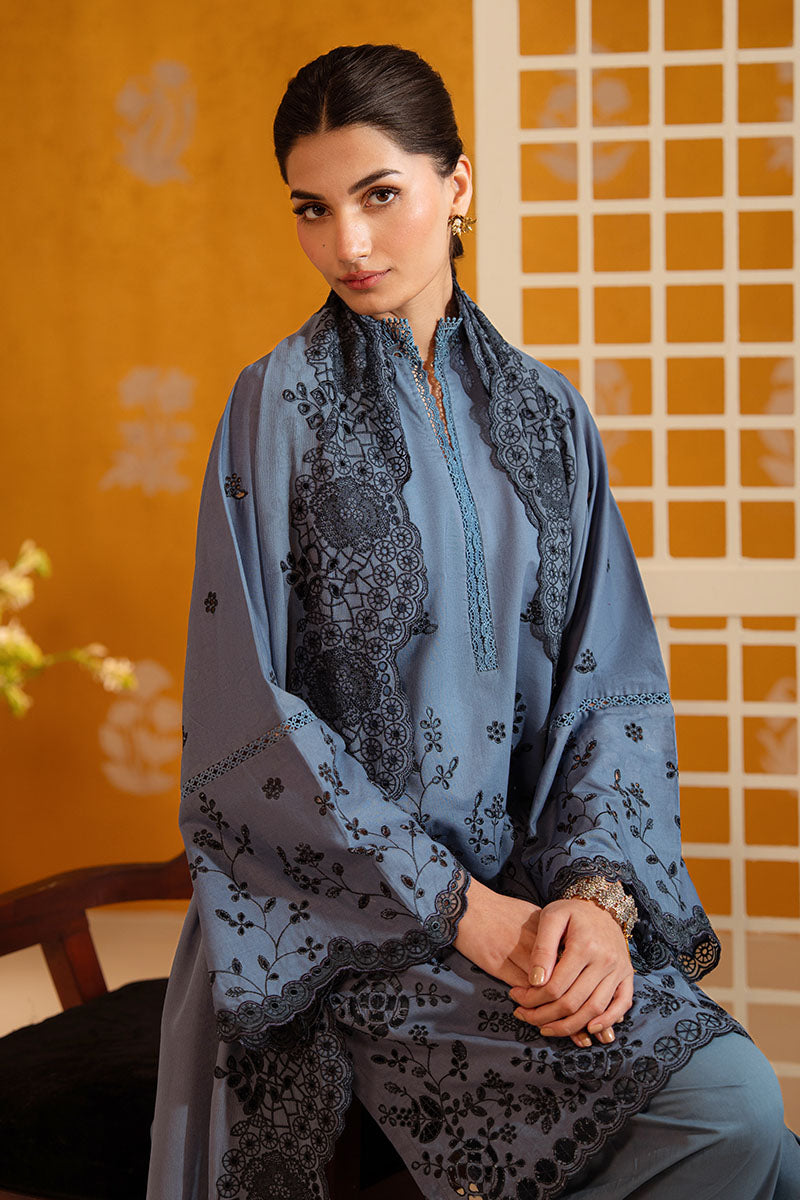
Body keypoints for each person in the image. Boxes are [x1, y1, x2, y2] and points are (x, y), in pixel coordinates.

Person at [147, 43, 800, 1200]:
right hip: (340, 922)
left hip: (535, 899)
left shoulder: (549, 416)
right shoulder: (274, 408)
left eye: (377, 194)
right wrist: (459, 912)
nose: (347, 243)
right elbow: (251, 727)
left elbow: (611, 693)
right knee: (732, 1115)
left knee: (747, 1128)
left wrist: (596, 905)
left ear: (457, 185)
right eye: (311, 208)